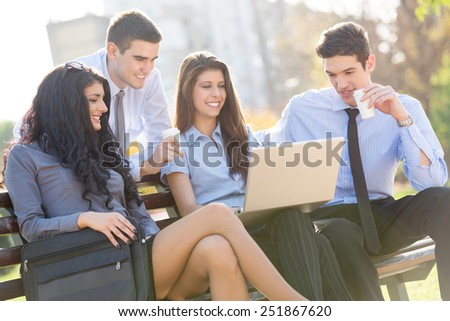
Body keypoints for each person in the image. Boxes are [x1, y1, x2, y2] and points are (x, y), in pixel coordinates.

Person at [4, 62, 307, 301]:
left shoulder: (101, 149)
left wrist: (158, 243)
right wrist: (85, 219)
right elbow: (30, 227)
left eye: (103, 99)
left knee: (217, 248)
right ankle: (298, 307)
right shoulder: (26, 157)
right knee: (217, 214)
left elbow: (135, 211)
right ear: (65, 105)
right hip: (98, 270)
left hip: (140, 258)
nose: (104, 108)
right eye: (94, 100)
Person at [263, 21, 450, 300]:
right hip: (328, 220)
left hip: (380, 214)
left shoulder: (405, 106)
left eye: (349, 72)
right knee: (341, 233)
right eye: (332, 75)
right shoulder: (302, 109)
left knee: (443, 201)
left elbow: (431, 181)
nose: (341, 84)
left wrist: (401, 119)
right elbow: (264, 147)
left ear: (369, 63)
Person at [160, 51, 352, 300]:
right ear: (188, 91)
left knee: (295, 220)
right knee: (318, 246)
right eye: (206, 86)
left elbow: (264, 184)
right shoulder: (176, 145)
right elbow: (187, 209)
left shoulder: (242, 134)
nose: (216, 94)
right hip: (226, 239)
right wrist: (227, 217)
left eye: (221, 86)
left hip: (262, 228)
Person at [14, 9, 179, 181]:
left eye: (153, 59)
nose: (148, 69)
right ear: (113, 51)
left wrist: (154, 165)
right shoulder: (75, 77)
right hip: (77, 181)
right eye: (140, 59)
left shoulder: (151, 78)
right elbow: (23, 130)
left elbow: (161, 136)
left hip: (114, 182)